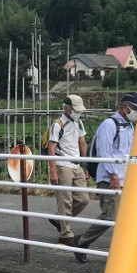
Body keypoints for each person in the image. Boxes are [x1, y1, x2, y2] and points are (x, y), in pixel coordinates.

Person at [73, 92, 137, 261]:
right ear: (125, 107)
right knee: (109, 216)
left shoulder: (130, 127)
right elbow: (105, 152)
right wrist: (113, 175)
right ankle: (82, 242)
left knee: (129, 218)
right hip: (109, 178)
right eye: (136, 109)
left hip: (126, 178)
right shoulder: (109, 124)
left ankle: (131, 256)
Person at [47, 95, 89, 246]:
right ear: (66, 108)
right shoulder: (58, 124)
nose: (77, 113)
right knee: (65, 200)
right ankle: (66, 234)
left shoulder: (79, 123)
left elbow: (82, 143)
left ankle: (60, 219)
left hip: (77, 165)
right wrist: (53, 171)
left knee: (84, 199)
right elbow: (51, 149)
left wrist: (85, 166)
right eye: (75, 110)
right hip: (62, 164)